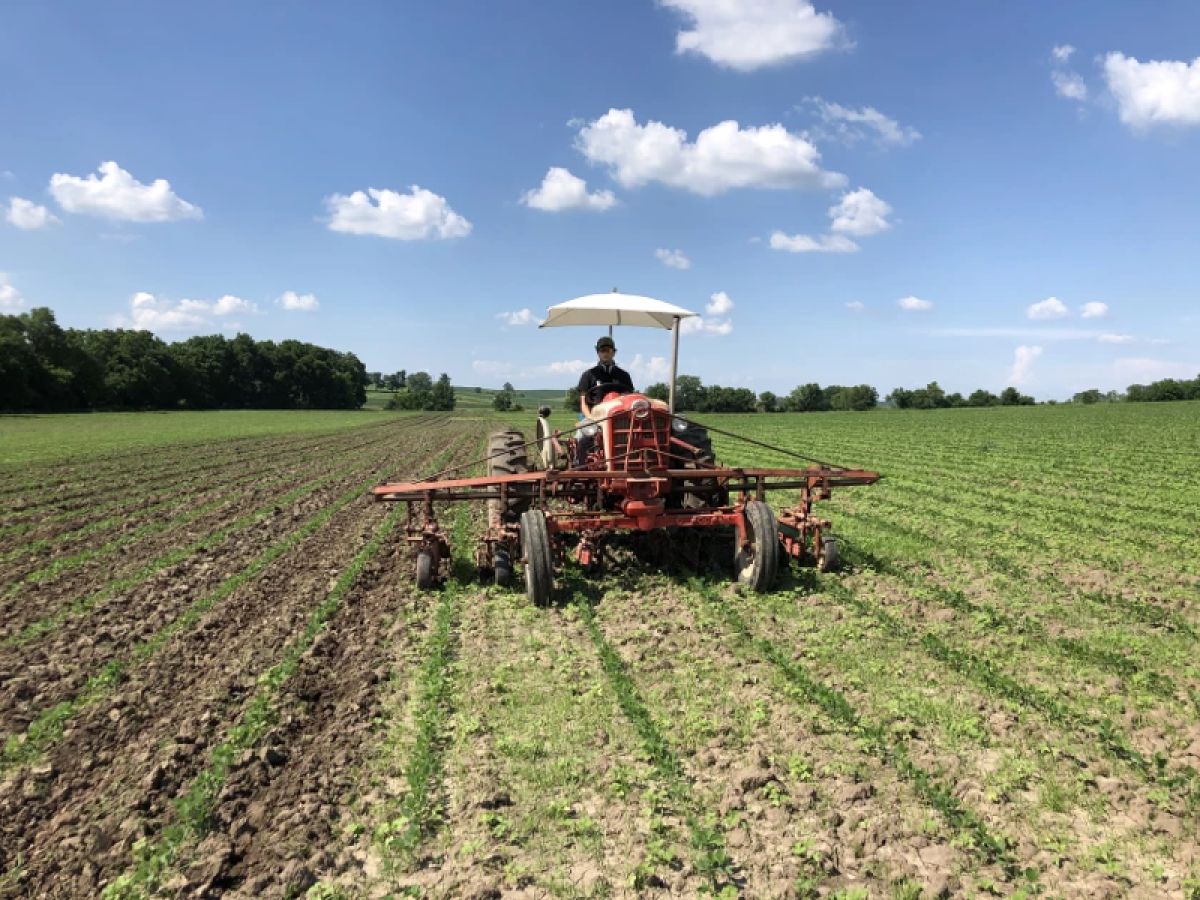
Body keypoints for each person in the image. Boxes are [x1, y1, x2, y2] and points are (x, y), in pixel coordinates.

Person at [574, 335, 635, 464]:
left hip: (620, 417)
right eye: (602, 350)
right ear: (598, 352)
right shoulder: (589, 375)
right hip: (595, 416)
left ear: (614, 352)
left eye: (608, 350)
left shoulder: (623, 375)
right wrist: (591, 419)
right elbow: (583, 402)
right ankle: (580, 464)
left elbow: (629, 398)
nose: (605, 353)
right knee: (582, 436)